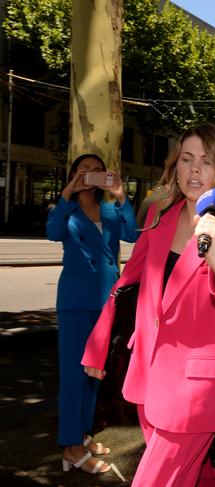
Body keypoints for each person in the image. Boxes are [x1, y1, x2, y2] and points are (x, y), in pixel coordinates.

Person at [82, 123, 215, 486]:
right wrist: (97, 346)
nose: (194, 169)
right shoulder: (159, 220)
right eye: (187, 159)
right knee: (195, 477)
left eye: (206, 160)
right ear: (176, 166)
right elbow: (125, 284)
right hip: (148, 375)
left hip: (197, 389)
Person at [46, 153, 138, 474]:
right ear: (72, 175)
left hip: (105, 303)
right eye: (82, 170)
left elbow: (133, 235)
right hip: (74, 303)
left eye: (95, 171)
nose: (89, 175)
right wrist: (67, 192)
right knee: (73, 377)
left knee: (93, 376)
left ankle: (81, 435)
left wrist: (122, 195)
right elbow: (53, 233)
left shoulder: (111, 211)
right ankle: (70, 449)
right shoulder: (66, 210)